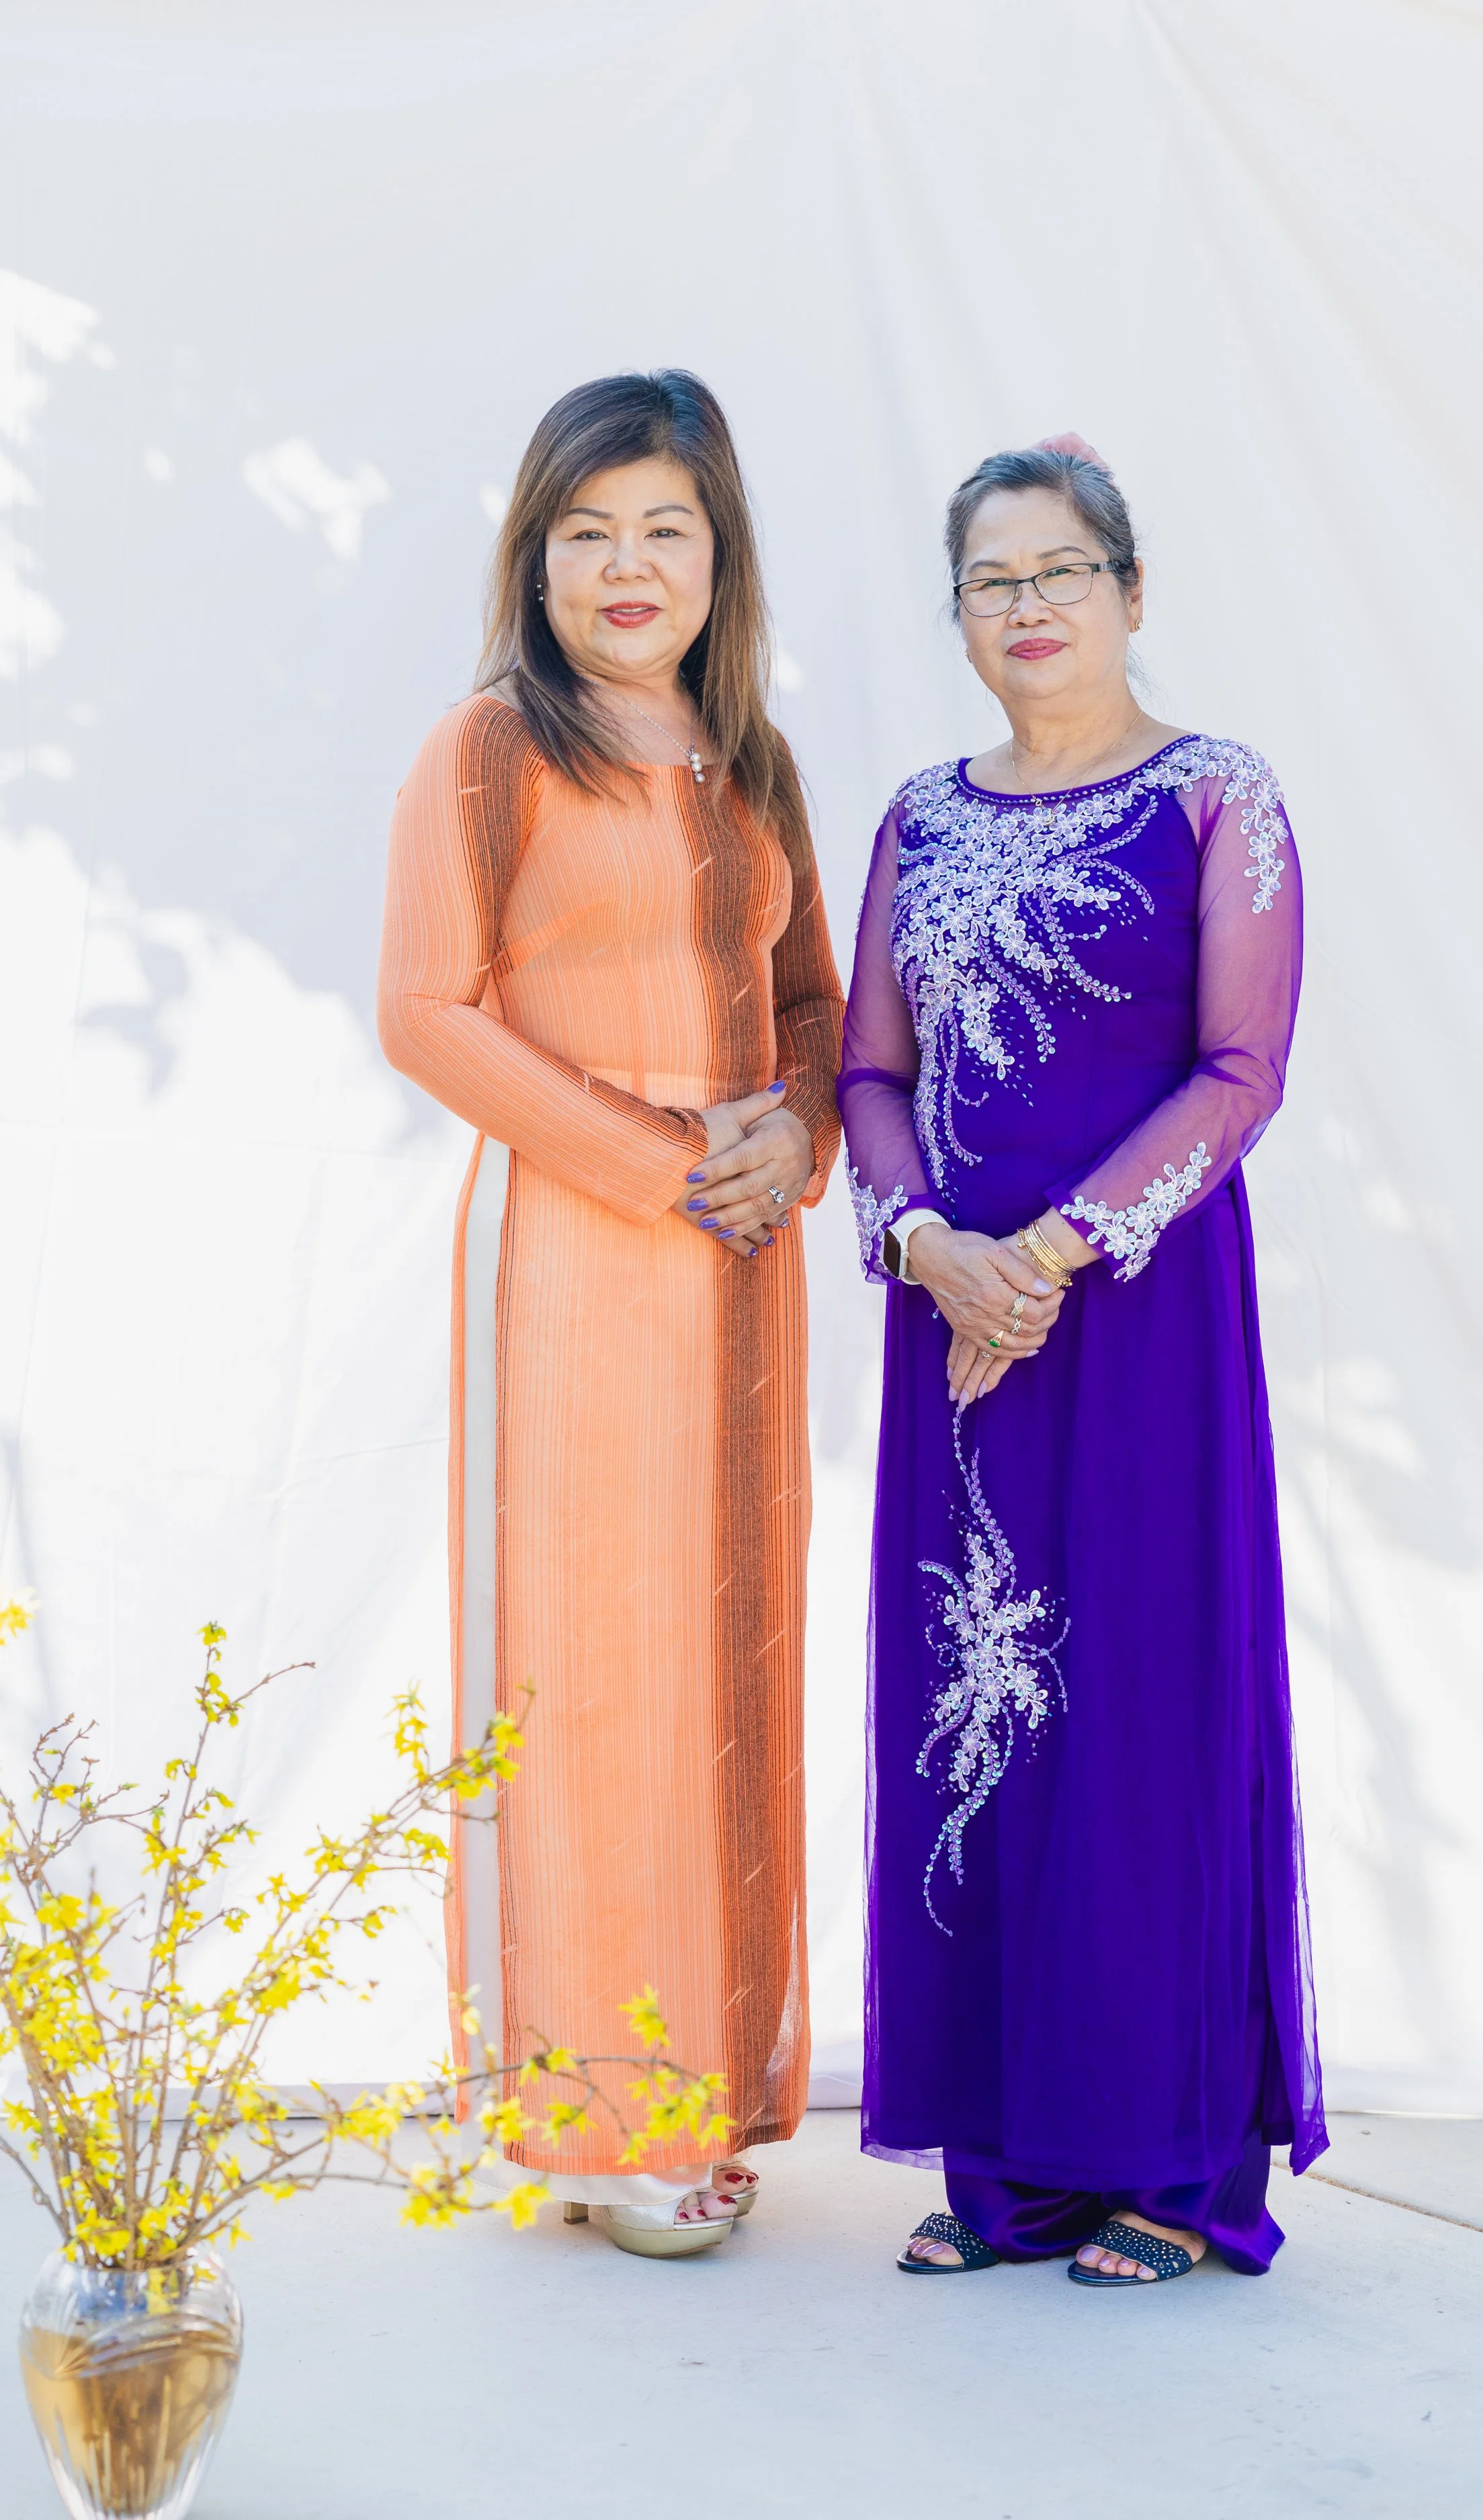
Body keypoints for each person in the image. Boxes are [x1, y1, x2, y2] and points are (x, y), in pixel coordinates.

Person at [839, 439, 1325, 2287]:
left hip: (1135, 1327)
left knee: (1137, 1705)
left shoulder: (1215, 799)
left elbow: (1239, 1070)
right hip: (952, 1329)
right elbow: (868, 1071)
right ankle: (1007, 2164)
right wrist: (924, 1243)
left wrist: (1052, 1249)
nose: (1025, 606)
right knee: (976, 1713)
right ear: (955, 613)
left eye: (1058, 571)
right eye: (989, 579)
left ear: (1129, 590)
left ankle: (1171, 2162)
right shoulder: (916, 816)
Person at [378, 371, 845, 2257]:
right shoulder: (488, 751)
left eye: (662, 526)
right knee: (589, 1675)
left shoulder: (755, 765)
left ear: (719, 554)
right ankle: (596, 2120)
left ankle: (705, 2086)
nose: (624, 564)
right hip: (572, 1274)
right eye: (585, 530)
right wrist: (665, 1163)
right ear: (534, 554)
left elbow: (809, 1010)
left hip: (747, 1285)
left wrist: (789, 1143)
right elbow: (428, 1013)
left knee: (721, 1665)